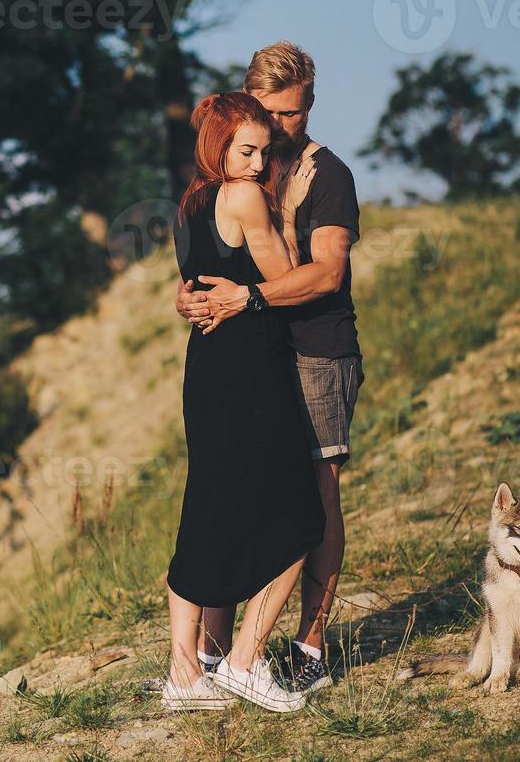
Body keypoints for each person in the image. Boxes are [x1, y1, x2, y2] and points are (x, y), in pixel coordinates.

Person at [176, 40, 363, 695]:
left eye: (297, 112)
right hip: (257, 356)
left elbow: (326, 273)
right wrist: (187, 296)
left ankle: (309, 644)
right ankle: (220, 652)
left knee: (314, 499)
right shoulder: (238, 170)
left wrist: (246, 295)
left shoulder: (325, 174)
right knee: (241, 493)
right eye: (273, 113)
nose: (287, 126)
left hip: (316, 348)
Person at [162, 91, 327, 714]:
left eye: (264, 152)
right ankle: (245, 661)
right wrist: (288, 211)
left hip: (204, 368)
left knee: (205, 507)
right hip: (251, 372)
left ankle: (184, 674)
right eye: (247, 150)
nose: (258, 164)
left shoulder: (191, 201)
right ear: (219, 146)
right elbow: (287, 278)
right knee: (300, 518)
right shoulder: (245, 197)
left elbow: (189, 285)